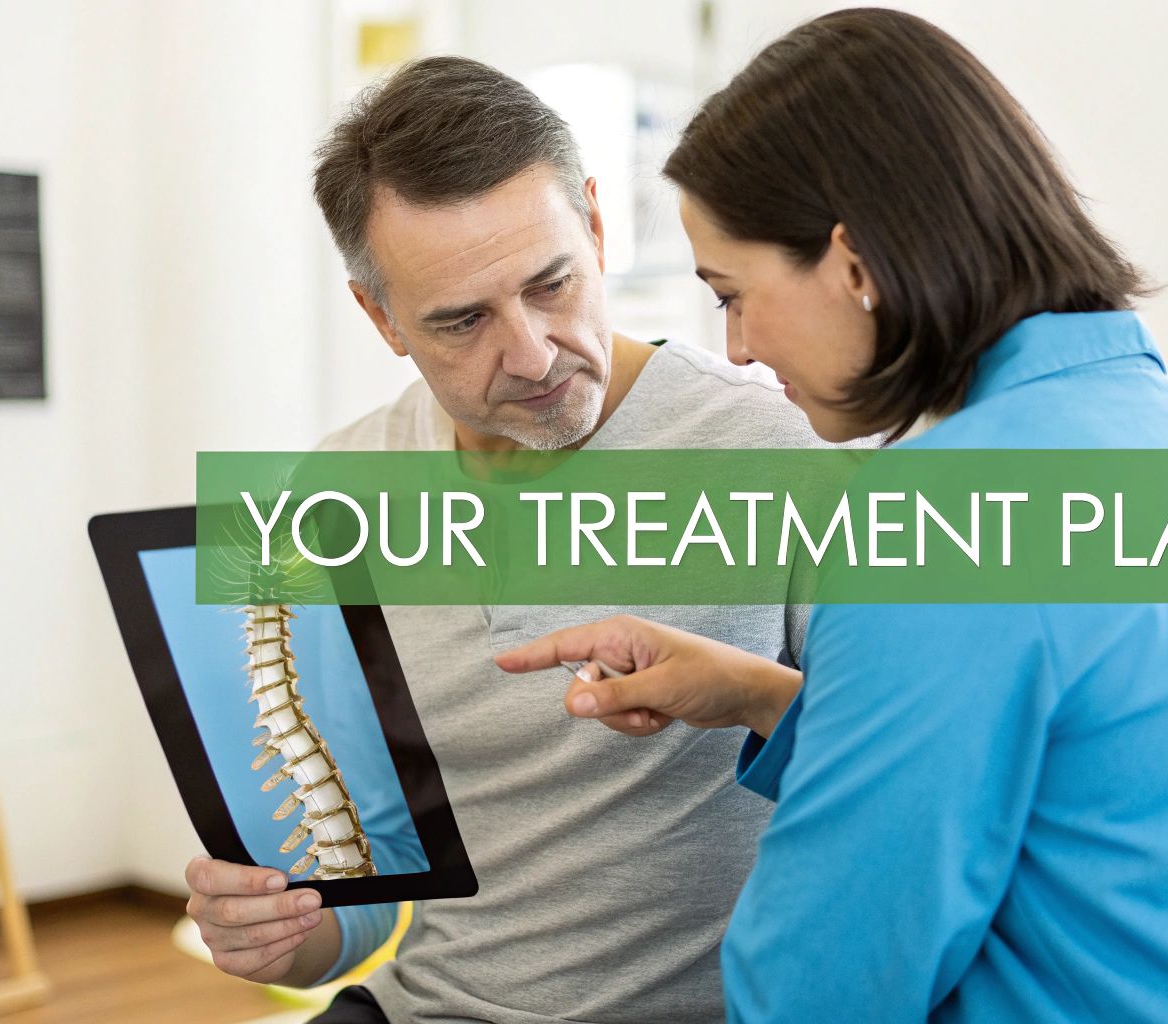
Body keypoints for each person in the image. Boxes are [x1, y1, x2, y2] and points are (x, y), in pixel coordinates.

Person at [497, 10, 1168, 1023]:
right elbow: (1117, 806)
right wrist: (768, 696)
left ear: (852, 265)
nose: (742, 345)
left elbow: (816, 987)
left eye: (733, 292)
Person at [182, 56, 857, 1024]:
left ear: (593, 223)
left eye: (550, 284)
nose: (534, 353)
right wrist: (290, 933)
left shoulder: (775, 449)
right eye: (462, 321)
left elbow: (899, 774)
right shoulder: (334, 492)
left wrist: (751, 695)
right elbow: (372, 865)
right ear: (379, 317)